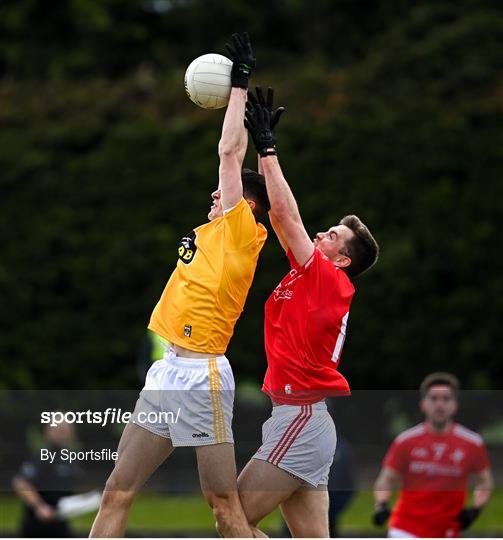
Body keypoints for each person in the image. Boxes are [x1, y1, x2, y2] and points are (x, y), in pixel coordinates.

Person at [90, 32, 269, 538]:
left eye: (226, 193)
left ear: (247, 205)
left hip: (203, 376)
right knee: (116, 490)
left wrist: (239, 84)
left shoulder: (242, 231)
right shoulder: (216, 230)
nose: (215, 194)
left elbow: (230, 151)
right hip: (167, 372)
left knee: (222, 508)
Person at [237, 87, 379, 537]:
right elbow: (280, 218)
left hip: (300, 417)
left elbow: (288, 214)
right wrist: (263, 150)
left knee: (231, 515)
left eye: (334, 235)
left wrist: (269, 148)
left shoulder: (329, 279)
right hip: (301, 418)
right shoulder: (309, 274)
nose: (323, 233)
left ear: (342, 261)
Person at [373, 372, 494, 538]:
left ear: (455, 405)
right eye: (434, 398)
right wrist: (381, 505)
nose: (439, 405)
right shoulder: (406, 441)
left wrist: (475, 509)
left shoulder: (472, 443)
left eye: (446, 399)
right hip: (406, 528)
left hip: (447, 531)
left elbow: (484, 481)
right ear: (423, 404)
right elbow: (386, 479)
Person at [12, 422, 81, 537]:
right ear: (48, 432)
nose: (62, 434)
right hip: (37, 525)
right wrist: (39, 506)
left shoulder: (71, 458)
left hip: (60, 521)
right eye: (58, 430)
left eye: (65, 430)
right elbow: (21, 483)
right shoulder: (41, 456)